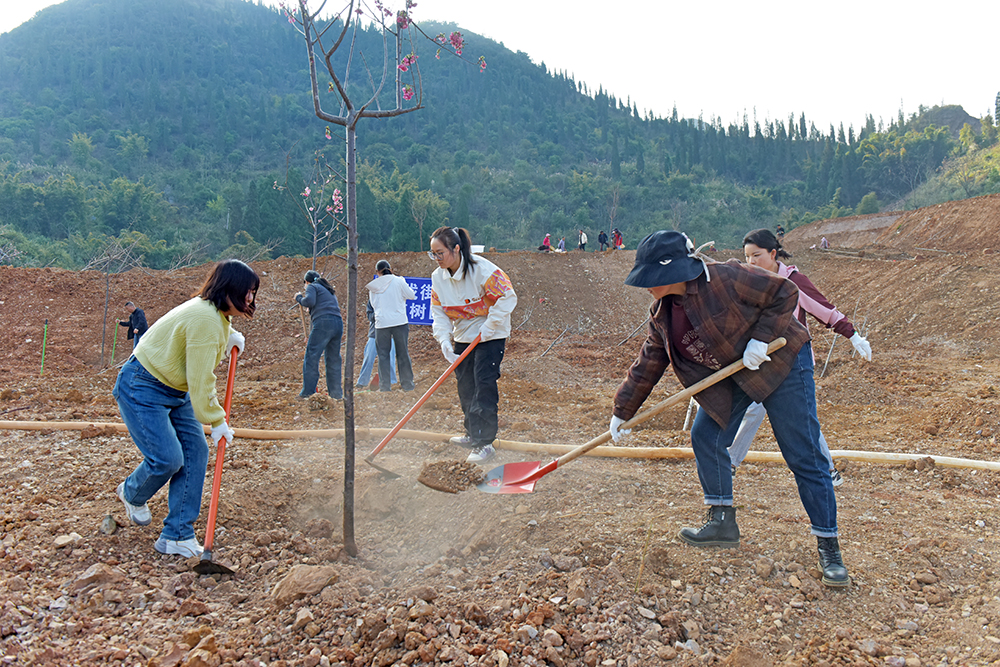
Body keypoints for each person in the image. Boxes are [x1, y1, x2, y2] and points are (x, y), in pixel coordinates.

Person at [609, 230, 849, 588]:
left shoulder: (727, 276)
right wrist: (623, 409)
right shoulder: (662, 313)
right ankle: (722, 521)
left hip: (781, 361)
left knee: (802, 452)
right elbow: (650, 361)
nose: (646, 285)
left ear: (673, 271)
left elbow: (785, 292)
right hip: (736, 371)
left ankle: (829, 546)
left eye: (652, 276)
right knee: (706, 435)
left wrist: (760, 339)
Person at [113, 259, 256, 558]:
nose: (250, 297)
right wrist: (216, 420)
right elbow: (202, 381)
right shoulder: (206, 320)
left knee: (195, 453)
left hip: (175, 389)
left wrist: (227, 336)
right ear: (229, 288)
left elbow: (199, 343)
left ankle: (177, 536)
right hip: (143, 384)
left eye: (253, 292)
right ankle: (132, 491)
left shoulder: (214, 315)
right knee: (168, 458)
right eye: (247, 290)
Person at [730, 229, 872, 485]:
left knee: (802, 417)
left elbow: (824, 310)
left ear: (773, 253)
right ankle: (730, 462)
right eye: (747, 256)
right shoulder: (749, 281)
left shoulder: (793, 282)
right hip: (760, 360)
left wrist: (853, 335)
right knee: (752, 410)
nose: (751, 261)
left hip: (792, 362)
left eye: (757, 255)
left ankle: (827, 469)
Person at [429, 226, 517, 464]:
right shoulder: (438, 278)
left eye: (440, 253)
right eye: (433, 254)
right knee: (466, 385)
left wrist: (490, 324)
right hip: (463, 334)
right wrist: (444, 340)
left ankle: (484, 443)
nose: (436, 258)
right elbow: (438, 312)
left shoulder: (483, 271)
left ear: (456, 249)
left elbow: (508, 296)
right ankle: (471, 433)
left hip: (491, 334)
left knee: (483, 384)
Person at [366, 259, 416, 392]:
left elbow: (373, 305)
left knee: (383, 356)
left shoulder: (373, 286)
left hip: (381, 324)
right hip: (399, 322)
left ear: (377, 272)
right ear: (390, 268)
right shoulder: (399, 281)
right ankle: (407, 384)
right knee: (402, 353)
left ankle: (385, 387)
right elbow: (411, 295)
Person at [295, 270, 343, 400]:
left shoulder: (312, 286)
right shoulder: (328, 290)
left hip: (323, 324)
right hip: (337, 324)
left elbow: (309, 301)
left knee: (311, 357)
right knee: (333, 359)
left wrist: (299, 298)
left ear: (307, 281)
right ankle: (336, 394)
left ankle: (308, 392)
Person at [356, 297, 397, 390]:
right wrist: (378, 315)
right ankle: (362, 382)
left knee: (390, 359)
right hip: (374, 333)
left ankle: (391, 382)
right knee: (368, 358)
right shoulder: (373, 298)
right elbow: (369, 315)